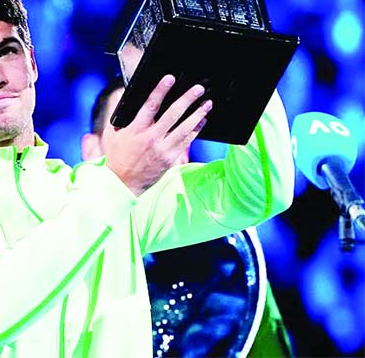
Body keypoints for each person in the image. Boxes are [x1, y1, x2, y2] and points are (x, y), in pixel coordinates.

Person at [0, 0, 294, 358]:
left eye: (6, 51)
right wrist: (118, 184)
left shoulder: (93, 191)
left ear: (32, 63)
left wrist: (224, 17)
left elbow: (257, 192)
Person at [82, 76, 294, 358]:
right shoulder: (63, 222)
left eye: (167, 127)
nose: (150, 142)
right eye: (130, 124)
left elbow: (258, 193)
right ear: (91, 150)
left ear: (184, 149)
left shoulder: (232, 266)